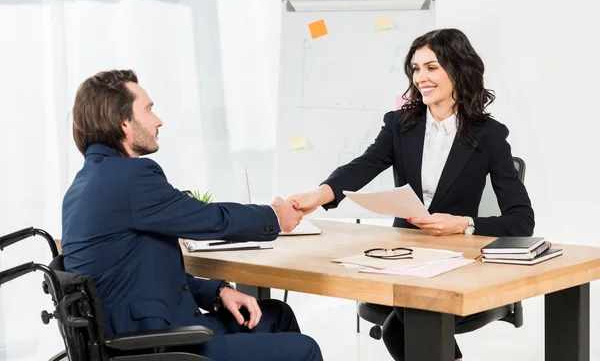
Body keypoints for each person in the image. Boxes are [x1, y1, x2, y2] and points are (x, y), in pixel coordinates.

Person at [287, 28, 534, 361]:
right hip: (402, 256)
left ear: (458, 70)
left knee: (399, 323)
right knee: (404, 315)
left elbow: (521, 220)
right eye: (416, 69)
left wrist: (463, 224)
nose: (421, 77)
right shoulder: (399, 125)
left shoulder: (487, 135)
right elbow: (365, 165)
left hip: (456, 262)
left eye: (431, 67)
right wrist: (320, 194)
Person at [61, 70, 323, 361]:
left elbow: (147, 272)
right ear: (124, 123)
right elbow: (211, 219)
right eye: (148, 109)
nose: (158, 120)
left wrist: (218, 291)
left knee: (276, 315)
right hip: (154, 346)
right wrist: (275, 216)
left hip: (140, 334)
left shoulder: (85, 183)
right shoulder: (131, 177)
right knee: (305, 349)